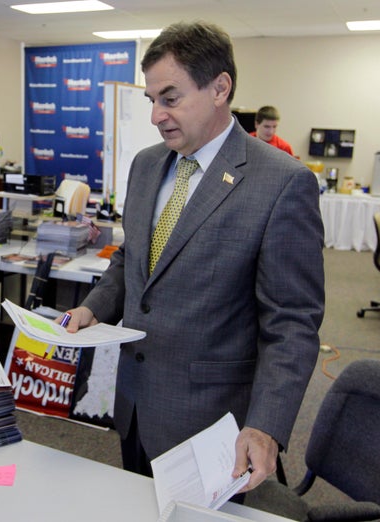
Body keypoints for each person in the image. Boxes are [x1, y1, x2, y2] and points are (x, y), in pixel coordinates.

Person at [64, 22, 324, 492]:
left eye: (170, 97)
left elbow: (292, 322)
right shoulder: (146, 165)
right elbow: (133, 259)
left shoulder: (281, 183)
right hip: (136, 407)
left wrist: (266, 425)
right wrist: (93, 307)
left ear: (220, 88)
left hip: (214, 425)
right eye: (151, 101)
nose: (156, 115)